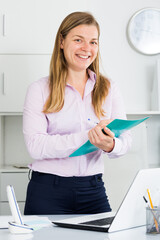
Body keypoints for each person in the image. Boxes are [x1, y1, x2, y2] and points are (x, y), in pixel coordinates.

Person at [23, 11, 132, 215]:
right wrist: (89, 137)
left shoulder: (109, 88)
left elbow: (125, 140)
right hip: (47, 191)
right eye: (78, 40)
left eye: (93, 42)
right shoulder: (39, 89)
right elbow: (36, 147)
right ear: (62, 42)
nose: (86, 49)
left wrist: (111, 145)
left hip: (93, 190)